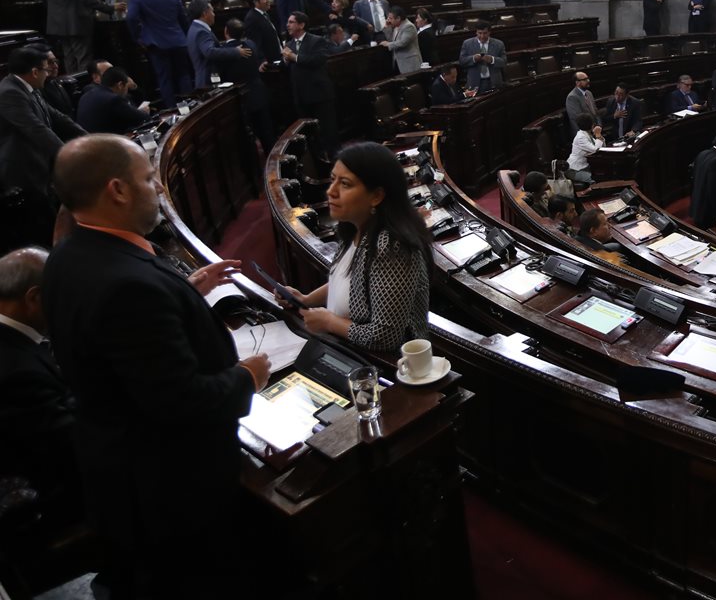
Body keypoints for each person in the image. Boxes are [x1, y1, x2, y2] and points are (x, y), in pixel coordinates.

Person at [43, 134, 270, 594]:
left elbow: (118, 339)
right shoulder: (128, 288)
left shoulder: (67, 254)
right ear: (117, 190)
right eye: (148, 179)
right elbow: (180, 401)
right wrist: (246, 377)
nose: (159, 189)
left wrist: (184, 290)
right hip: (172, 491)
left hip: (120, 469)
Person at [280, 141, 432, 353]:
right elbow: (352, 281)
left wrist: (329, 322)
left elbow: (385, 336)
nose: (331, 191)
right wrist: (306, 299)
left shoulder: (392, 248)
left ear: (376, 196)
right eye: (333, 179)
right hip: (347, 351)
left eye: (345, 184)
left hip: (386, 365)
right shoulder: (353, 227)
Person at [0, 246, 79, 510]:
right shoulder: (20, 372)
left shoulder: (16, 345)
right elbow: (67, 445)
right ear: (34, 298)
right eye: (59, 295)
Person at [0, 47, 86, 247]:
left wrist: (90, 138)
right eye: (46, 70)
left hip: (40, 166)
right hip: (22, 171)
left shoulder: (28, 86)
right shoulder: (9, 93)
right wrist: (72, 157)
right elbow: (37, 130)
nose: (48, 74)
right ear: (34, 72)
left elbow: (57, 117)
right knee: (41, 226)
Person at [125, 0, 192, 105]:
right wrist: (185, 37)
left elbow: (131, 18)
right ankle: (191, 104)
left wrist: (137, 38)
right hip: (178, 41)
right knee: (183, 75)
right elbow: (183, 19)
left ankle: (171, 109)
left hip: (156, 43)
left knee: (164, 78)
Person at [282, 11, 339, 158]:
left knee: (328, 130)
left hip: (320, 94)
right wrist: (286, 60)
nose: (287, 25)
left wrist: (294, 57)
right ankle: (318, 160)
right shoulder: (289, 44)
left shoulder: (316, 40)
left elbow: (317, 60)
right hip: (301, 96)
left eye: (291, 22)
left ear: (301, 25)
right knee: (310, 133)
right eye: (288, 22)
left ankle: (336, 159)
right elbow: (290, 67)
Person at [220, 18, 275, 152]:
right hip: (259, 92)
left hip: (240, 99)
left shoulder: (224, 51)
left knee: (248, 138)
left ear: (226, 31)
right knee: (267, 132)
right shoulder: (251, 44)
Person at [186, 0, 252, 88]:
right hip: (208, 81)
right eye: (212, 11)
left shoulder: (195, 28)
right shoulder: (201, 31)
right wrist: (235, 51)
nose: (214, 14)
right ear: (205, 13)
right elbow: (210, 52)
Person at [75, 67, 152, 134]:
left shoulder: (86, 95)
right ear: (120, 85)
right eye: (127, 87)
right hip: (106, 141)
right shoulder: (113, 99)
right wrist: (144, 112)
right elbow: (142, 118)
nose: (127, 91)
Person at [457, 21, 505, 92]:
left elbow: (504, 62)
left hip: (494, 82)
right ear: (476, 32)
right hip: (474, 83)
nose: (482, 36)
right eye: (480, 33)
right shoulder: (467, 44)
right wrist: (473, 58)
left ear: (489, 32)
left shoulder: (499, 44)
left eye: (485, 33)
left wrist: (492, 60)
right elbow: (462, 61)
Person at [242, 0, 283, 65]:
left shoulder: (264, 14)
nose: (268, 0)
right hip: (268, 62)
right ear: (255, 2)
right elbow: (255, 43)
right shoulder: (252, 19)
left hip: (277, 57)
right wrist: (262, 60)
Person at [567, 113, 604, 184]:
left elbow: (601, 146)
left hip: (585, 167)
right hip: (574, 170)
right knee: (596, 180)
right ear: (592, 125)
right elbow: (596, 150)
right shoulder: (581, 137)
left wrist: (599, 136)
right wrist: (598, 134)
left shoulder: (586, 134)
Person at [383, 7, 421, 75]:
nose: (388, 20)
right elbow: (391, 40)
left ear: (398, 18)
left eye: (390, 18)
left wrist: (388, 44)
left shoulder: (409, 26)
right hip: (398, 62)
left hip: (409, 63)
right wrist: (387, 27)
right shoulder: (396, 26)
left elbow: (403, 42)